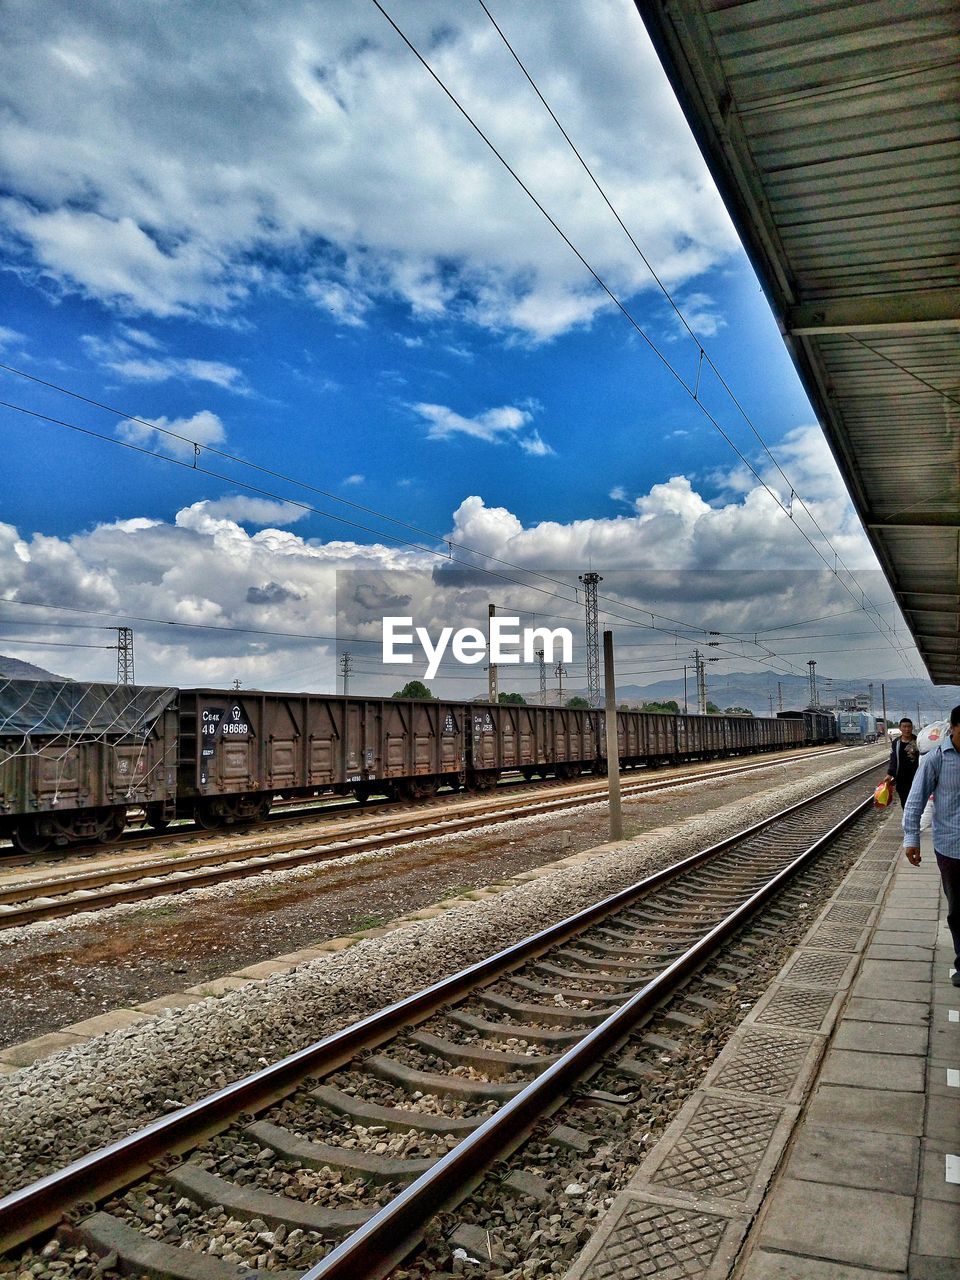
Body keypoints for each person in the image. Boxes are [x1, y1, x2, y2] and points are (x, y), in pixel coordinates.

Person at [903, 704, 960, 987]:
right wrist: (912, 838)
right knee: (958, 910)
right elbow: (916, 800)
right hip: (951, 847)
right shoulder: (936, 758)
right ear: (955, 728)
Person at [886, 717, 920, 807]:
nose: (907, 729)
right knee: (904, 803)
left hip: (916, 778)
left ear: (912, 728)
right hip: (901, 779)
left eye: (909, 727)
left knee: (915, 803)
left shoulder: (918, 741)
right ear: (900, 728)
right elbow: (893, 760)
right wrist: (889, 774)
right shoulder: (896, 743)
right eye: (904, 727)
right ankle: (907, 819)